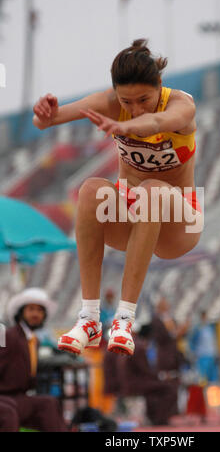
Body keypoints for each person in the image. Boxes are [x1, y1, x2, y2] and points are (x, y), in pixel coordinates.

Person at [32, 38, 203, 357]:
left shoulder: (181, 105)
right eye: (127, 102)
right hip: (133, 220)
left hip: (179, 224)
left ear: (160, 87)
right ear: (115, 93)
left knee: (152, 189)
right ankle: (90, 318)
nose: (135, 109)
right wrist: (44, 114)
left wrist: (130, 123)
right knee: (92, 190)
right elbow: (46, 121)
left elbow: (156, 122)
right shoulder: (109, 103)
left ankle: (125, 318)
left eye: (143, 99)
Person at [0, 288, 68, 432]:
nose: (35, 314)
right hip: (4, 397)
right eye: (31, 309)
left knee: (49, 403)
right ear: (21, 313)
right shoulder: (8, 335)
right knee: (7, 412)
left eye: (39, 310)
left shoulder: (33, 340)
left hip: (18, 397)